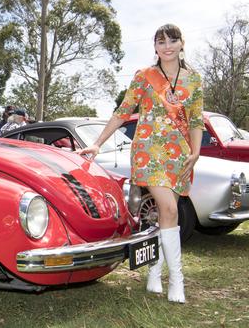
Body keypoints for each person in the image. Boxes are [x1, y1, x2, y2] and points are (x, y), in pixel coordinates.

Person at [76, 24, 204, 304]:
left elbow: (196, 120)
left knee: (165, 214)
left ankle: (154, 273)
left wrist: (195, 152)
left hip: (179, 154)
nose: (167, 46)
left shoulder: (193, 80)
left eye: (173, 40)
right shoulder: (144, 77)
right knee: (169, 209)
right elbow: (123, 112)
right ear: (155, 47)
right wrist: (98, 142)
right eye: (161, 41)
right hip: (149, 151)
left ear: (182, 43)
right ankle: (177, 281)